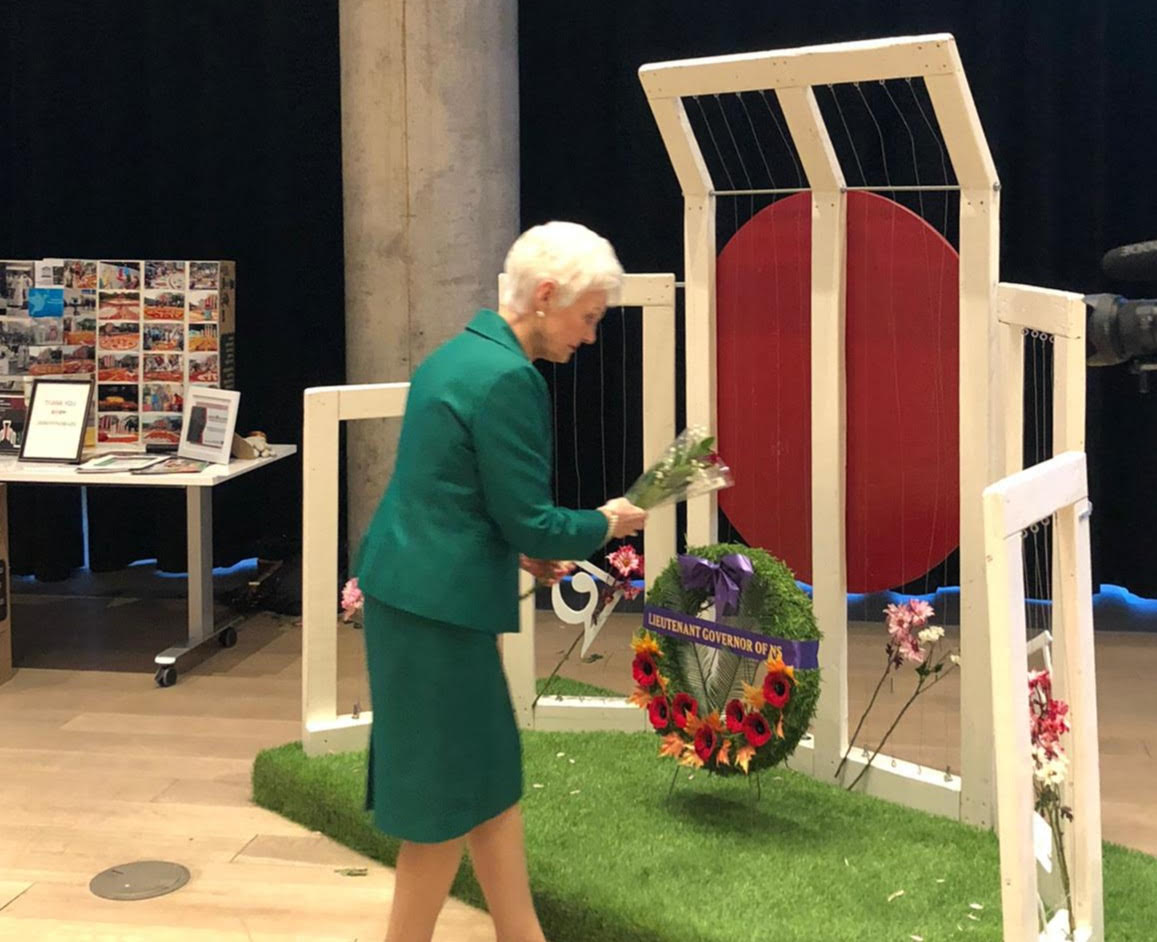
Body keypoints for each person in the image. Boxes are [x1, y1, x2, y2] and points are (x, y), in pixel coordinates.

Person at [355, 221, 647, 942]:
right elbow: (534, 523)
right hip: (437, 615)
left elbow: (449, 491)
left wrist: (517, 551)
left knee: (487, 783)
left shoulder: (456, 356)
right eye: (588, 317)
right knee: (444, 806)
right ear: (546, 296)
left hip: (416, 595)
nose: (590, 337)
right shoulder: (511, 379)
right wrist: (607, 522)